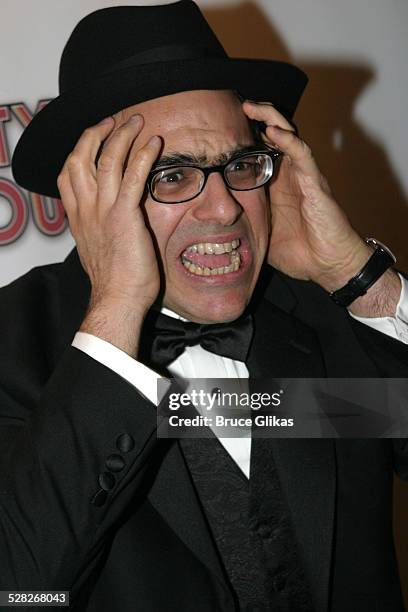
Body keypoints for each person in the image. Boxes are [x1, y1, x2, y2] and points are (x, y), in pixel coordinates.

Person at [2, 1, 408, 610]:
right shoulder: (12, 347)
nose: (224, 208)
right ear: (87, 190)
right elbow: (21, 591)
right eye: (170, 175)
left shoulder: (323, 311)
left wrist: (357, 275)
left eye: (240, 166)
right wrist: (116, 311)